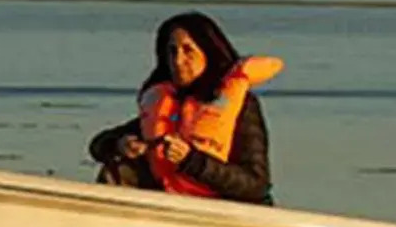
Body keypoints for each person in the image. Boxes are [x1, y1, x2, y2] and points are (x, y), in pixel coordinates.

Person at [88, 11, 282, 205]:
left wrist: (192, 160)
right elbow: (97, 145)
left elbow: (257, 185)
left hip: (225, 210)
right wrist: (120, 144)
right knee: (119, 169)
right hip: (173, 203)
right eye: (172, 51)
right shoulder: (165, 102)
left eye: (188, 51)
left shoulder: (240, 105)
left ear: (208, 54)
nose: (178, 61)